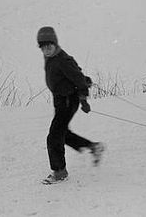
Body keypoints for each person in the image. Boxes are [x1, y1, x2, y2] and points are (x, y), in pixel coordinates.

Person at [37, 26, 104, 184]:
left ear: (55, 44)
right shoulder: (52, 57)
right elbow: (76, 71)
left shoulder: (62, 59)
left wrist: (83, 100)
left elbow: (78, 78)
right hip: (60, 100)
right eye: (43, 47)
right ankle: (94, 147)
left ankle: (59, 172)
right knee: (62, 133)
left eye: (49, 46)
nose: (46, 50)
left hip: (68, 101)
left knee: (54, 136)